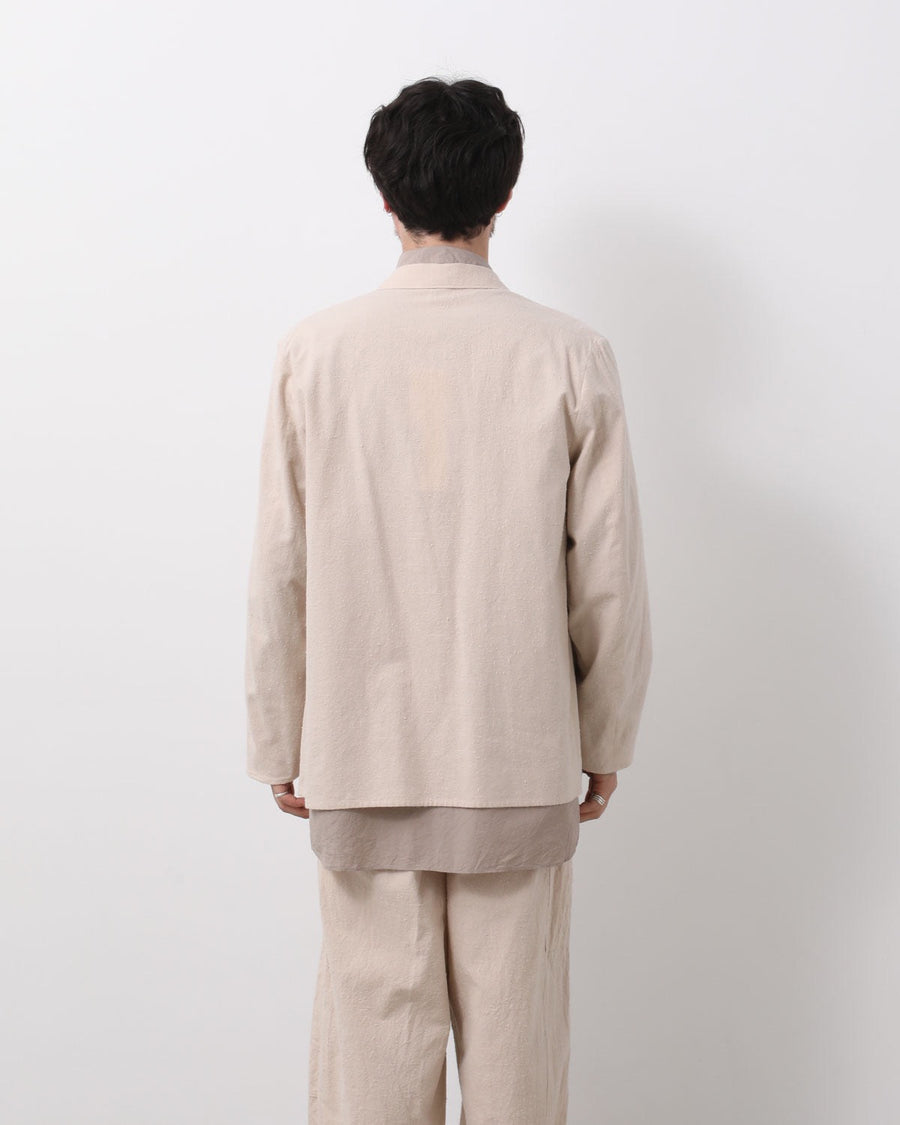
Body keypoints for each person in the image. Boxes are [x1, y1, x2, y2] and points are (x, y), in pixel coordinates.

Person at [244, 75, 653, 1125]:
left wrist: (278, 735)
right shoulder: (569, 354)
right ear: (503, 196)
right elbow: (606, 575)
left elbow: (281, 565)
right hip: (516, 754)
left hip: (361, 754)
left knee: (371, 1074)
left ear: (385, 196)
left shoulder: (313, 354)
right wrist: (604, 735)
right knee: (519, 1065)